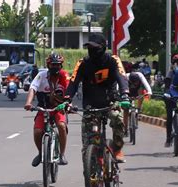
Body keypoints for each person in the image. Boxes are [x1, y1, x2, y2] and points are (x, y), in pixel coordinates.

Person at [66, 33, 130, 163]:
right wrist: (67, 100)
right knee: (87, 143)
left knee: (117, 118)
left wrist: (125, 95)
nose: (92, 50)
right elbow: (73, 83)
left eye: (95, 47)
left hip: (110, 101)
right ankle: (89, 170)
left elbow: (121, 77)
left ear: (103, 47)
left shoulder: (113, 60)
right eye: (89, 47)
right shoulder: (83, 63)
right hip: (90, 105)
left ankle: (117, 149)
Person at [24, 53, 70, 166]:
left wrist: (68, 104)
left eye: (58, 65)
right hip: (43, 108)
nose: (55, 67)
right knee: (38, 131)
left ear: (61, 66)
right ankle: (40, 153)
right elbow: (33, 88)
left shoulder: (64, 75)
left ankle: (62, 154)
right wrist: (28, 103)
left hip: (59, 108)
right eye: (53, 64)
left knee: (61, 126)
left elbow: (69, 91)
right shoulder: (41, 75)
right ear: (48, 65)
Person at [163, 53, 178, 147]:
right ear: (173, 63)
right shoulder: (170, 73)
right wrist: (167, 94)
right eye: (177, 62)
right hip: (171, 97)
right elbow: (167, 85)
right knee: (169, 117)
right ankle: (168, 138)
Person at [123, 69, 152, 137]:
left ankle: (138, 110)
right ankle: (125, 129)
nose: (135, 84)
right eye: (134, 83)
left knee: (142, 91)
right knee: (126, 110)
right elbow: (120, 86)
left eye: (137, 82)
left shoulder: (140, 75)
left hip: (137, 91)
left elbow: (146, 84)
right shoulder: (125, 77)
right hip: (128, 91)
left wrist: (149, 92)